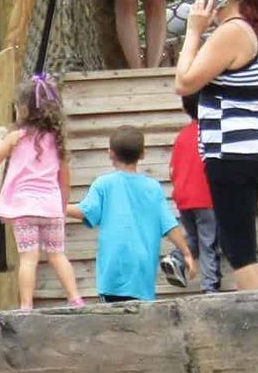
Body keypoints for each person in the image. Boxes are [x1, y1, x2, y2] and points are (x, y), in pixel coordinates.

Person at [174, 0, 258, 292]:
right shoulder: (247, 30)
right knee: (243, 247)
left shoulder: (232, 32)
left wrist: (193, 32)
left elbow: (184, 82)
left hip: (234, 152)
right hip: (244, 150)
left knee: (238, 250)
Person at [0, 75, 83, 310]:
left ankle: (26, 305)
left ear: (23, 110)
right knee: (57, 254)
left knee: (29, 257)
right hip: (50, 206)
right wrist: (62, 204)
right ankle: (75, 298)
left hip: (24, 206)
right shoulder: (57, 140)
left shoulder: (16, 138)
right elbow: (64, 179)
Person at [66, 125, 195, 303]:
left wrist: (57, 207)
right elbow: (169, 225)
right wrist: (186, 252)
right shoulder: (153, 188)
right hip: (142, 273)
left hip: (112, 273)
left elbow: (84, 211)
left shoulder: (103, 184)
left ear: (110, 153)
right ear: (142, 154)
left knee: (114, 326)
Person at [166, 94, 222, 294]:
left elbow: (172, 170)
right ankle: (210, 287)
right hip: (206, 197)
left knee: (194, 237)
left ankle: (176, 258)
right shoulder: (213, 132)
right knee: (209, 242)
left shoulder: (182, 136)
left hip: (184, 198)